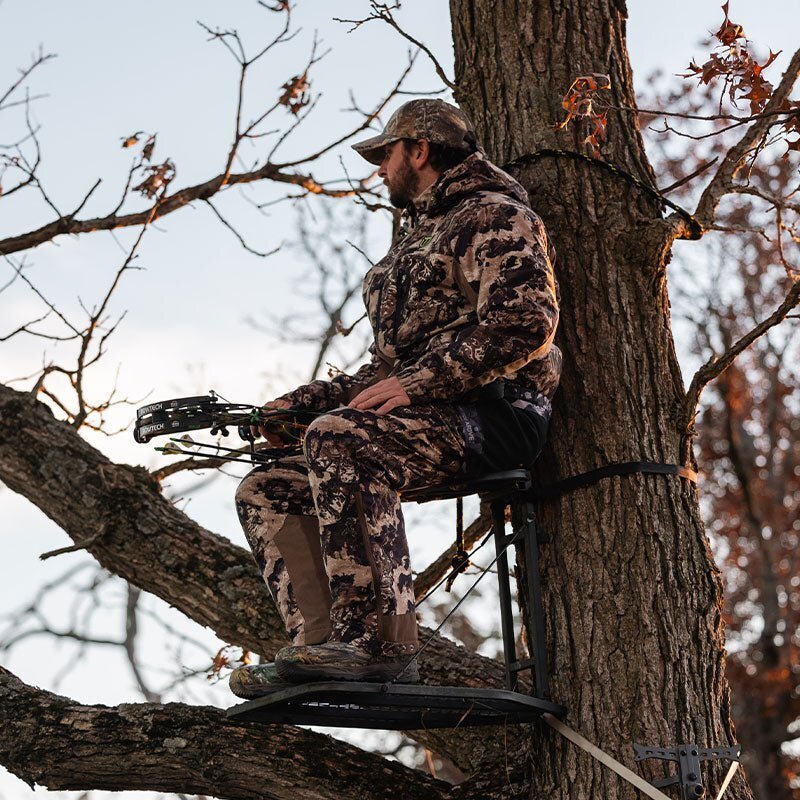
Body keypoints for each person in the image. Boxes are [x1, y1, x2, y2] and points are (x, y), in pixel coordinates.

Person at [229, 98, 561, 697]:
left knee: (339, 439)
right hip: (424, 418)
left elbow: (526, 325)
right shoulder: (416, 241)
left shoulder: (494, 217)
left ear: (420, 150)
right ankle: (322, 650)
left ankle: (380, 648)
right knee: (268, 485)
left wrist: (413, 385)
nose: (380, 170)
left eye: (386, 156)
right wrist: (297, 407)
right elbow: (385, 373)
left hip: (493, 413)